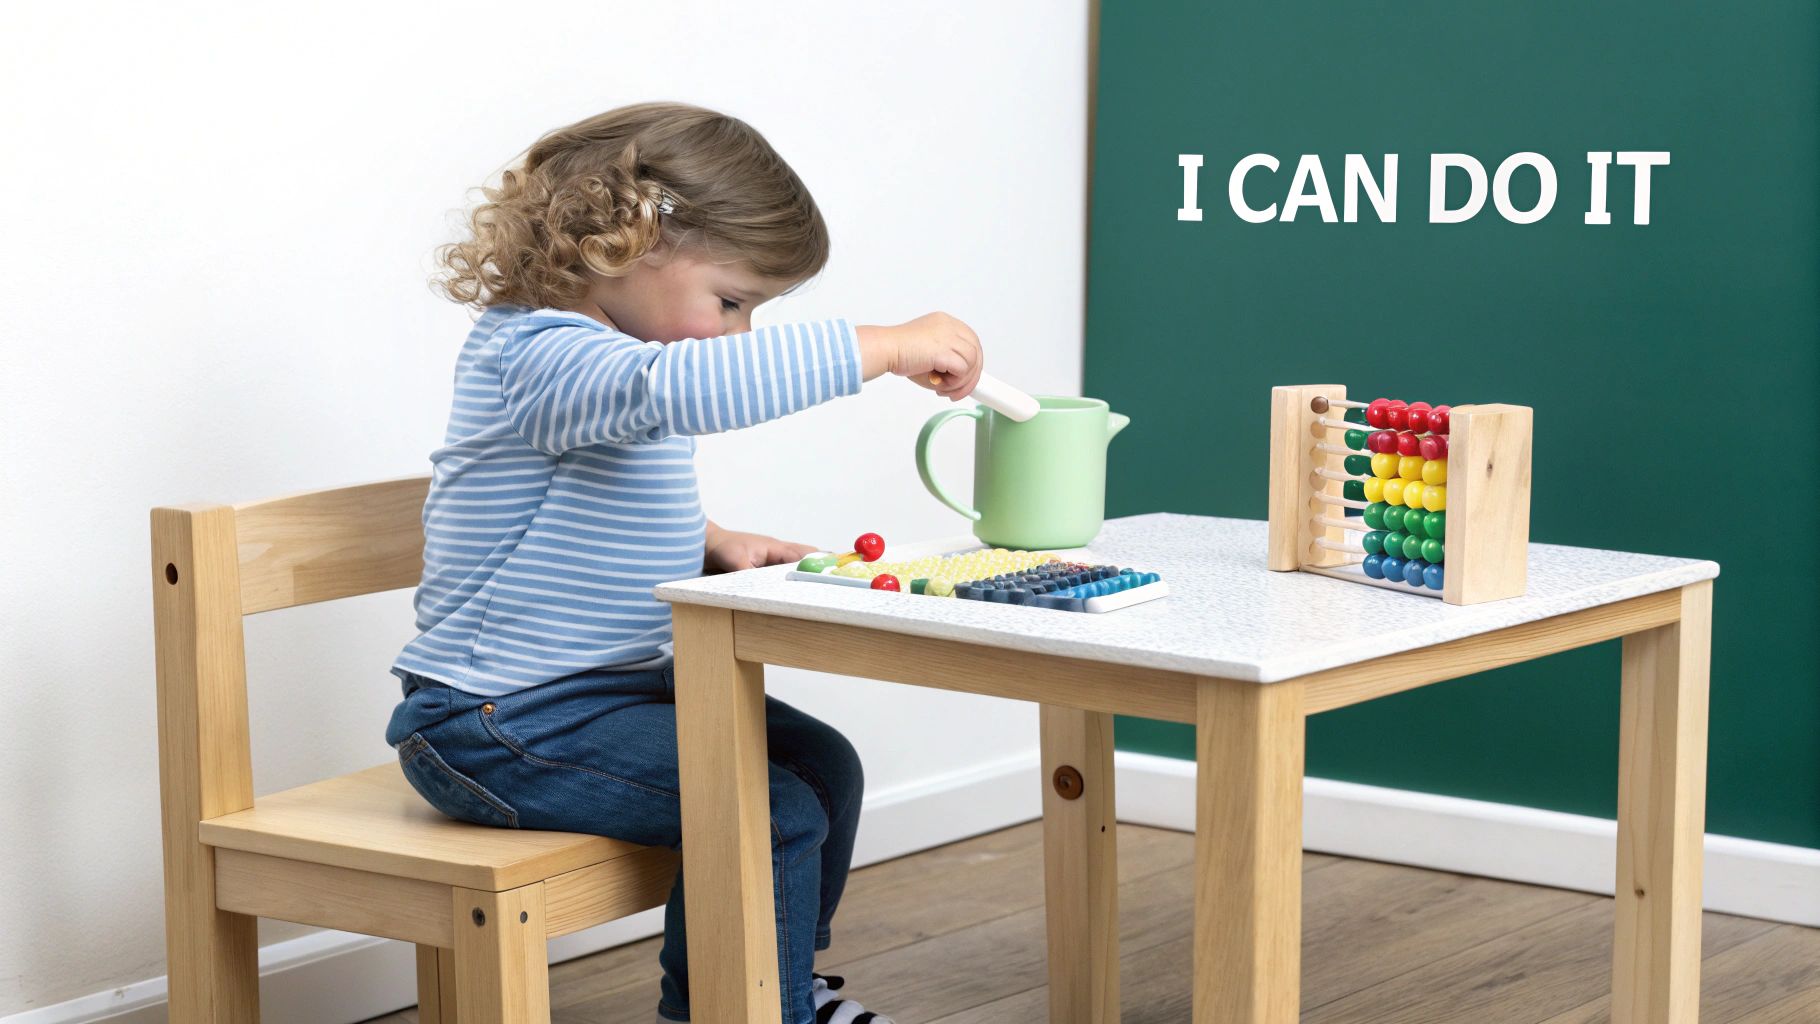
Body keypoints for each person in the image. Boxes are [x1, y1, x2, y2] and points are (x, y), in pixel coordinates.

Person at [385, 100, 984, 1024]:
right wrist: (885, 348)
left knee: (825, 767)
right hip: (495, 722)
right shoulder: (537, 353)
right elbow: (682, 392)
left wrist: (712, 543)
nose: (739, 334)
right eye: (733, 302)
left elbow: (585, 495)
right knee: (768, 812)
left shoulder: (607, 363)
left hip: (602, 694)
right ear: (628, 239)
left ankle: (764, 987)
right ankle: (745, 1009)